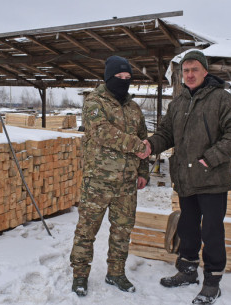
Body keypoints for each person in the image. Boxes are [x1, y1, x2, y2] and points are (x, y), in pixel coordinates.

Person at [137, 50, 231, 304]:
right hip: (185, 178)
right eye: (185, 71)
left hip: (211, 178)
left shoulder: (221, 99)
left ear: (205, 71)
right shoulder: (178, 103)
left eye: (194, 69)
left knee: (211, 231)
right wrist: (151, 145)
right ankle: (187, 271)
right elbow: (166, 133)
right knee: (187, 227)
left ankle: (212, 281)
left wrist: (212, 157)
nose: (189, 75)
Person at [70, 55, 150, 297]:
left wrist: (143, 171)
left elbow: (144, 139)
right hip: (98, 182)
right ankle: (80, 275)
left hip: (126, 184)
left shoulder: (134, 108)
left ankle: (116, 272)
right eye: (119, 77)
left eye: (128, 78)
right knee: (87, 230)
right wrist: (137, 145)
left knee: (122, 231)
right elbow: (102, 132)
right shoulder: (95, 101)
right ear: (108, 77)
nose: (124, 81)